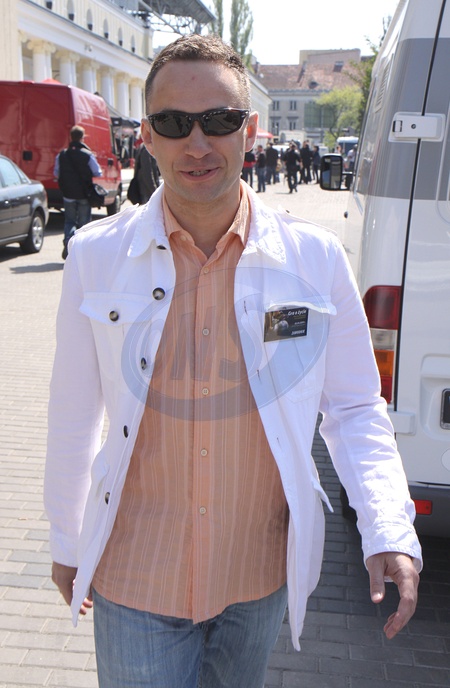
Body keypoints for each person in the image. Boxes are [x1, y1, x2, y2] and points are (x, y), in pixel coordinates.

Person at [45, 34, 421, 688]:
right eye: (173, 123)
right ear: (147, 137)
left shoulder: (315, 259)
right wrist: (67, 538)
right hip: (137, 574)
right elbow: (74, 413)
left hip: (258, 578)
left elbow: (355, 407)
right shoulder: (95, 256)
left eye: (218, 120)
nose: (197, 143)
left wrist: (387, 527)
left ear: (249, 130)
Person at [54, 125, 102, 260]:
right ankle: (81, 249)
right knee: (84, 223)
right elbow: (97, 172)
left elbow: (56, 173)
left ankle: (67, 241)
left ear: (71, 137)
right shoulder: (87, 155)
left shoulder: (62, 155)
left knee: (69, 221)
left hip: (68, 193)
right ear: (82, 137)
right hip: (84, 194)